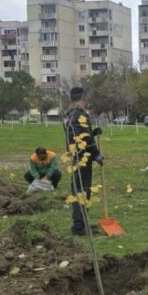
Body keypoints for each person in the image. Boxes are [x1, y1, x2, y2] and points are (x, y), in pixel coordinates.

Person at [64, 87, 103, 236]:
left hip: (76, 155)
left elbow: (79, 136)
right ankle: (79, 227)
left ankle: (82, 223)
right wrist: (97, 154)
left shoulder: (68, 115)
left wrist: (93, 133)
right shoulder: (79, 115)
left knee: (79, 189)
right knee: (82, 190)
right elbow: (85, 139)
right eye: (86, 98)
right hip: (83, 157)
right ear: (83, 98)